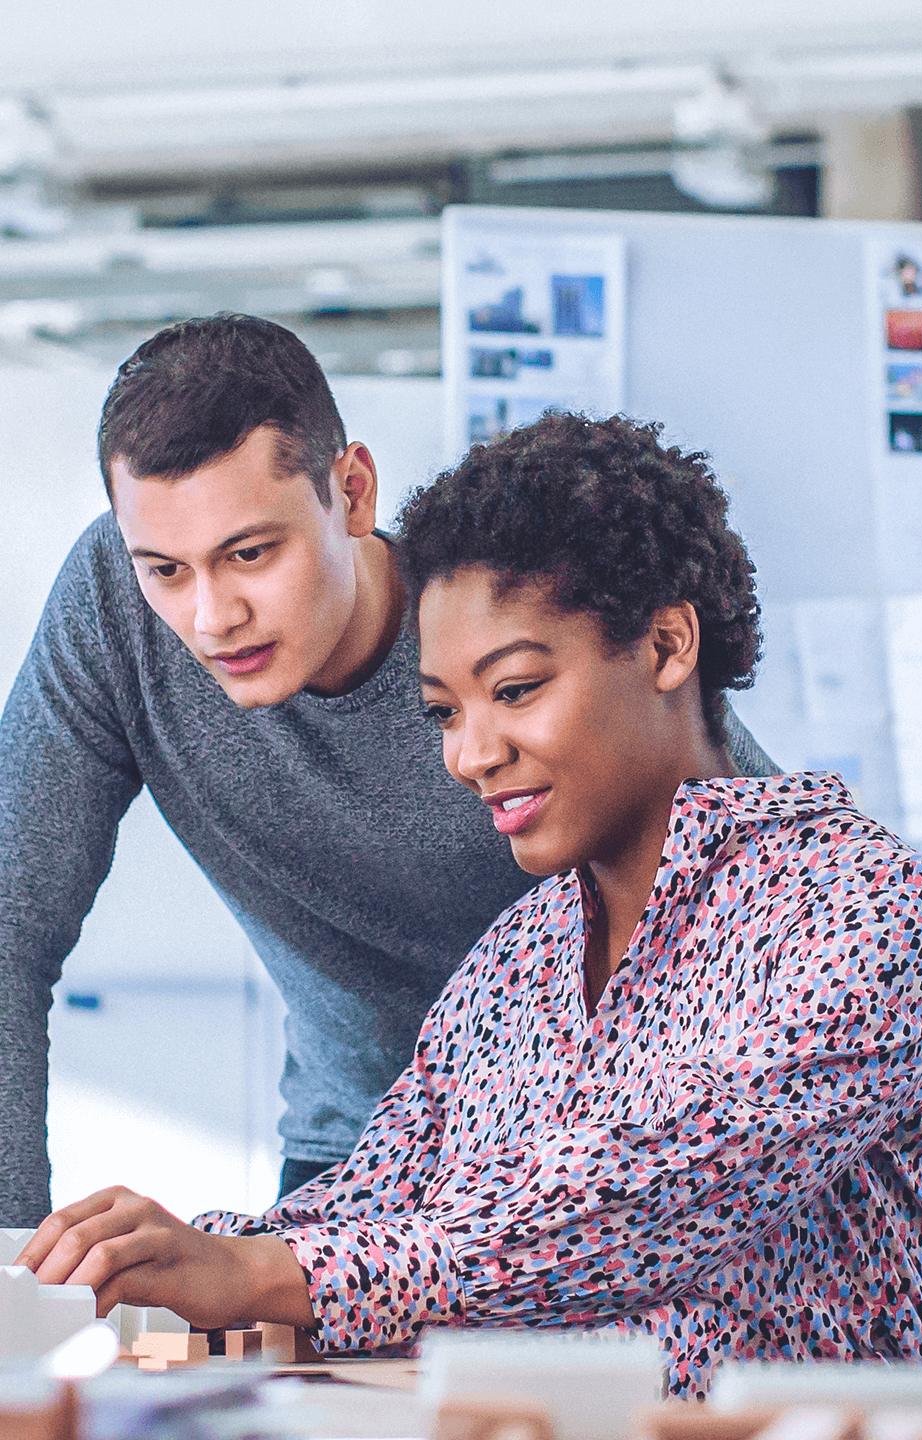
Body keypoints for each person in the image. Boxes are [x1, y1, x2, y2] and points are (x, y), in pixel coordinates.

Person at [18, 414, 922, 1397]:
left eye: (515, 690)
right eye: (445, 710)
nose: (470, 755)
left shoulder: (874, 915)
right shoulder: (520, 958)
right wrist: (151, 1261)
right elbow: (373, 1208)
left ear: (665, 644)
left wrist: (261, 1274)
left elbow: (636, 1209)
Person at [0, 315, 775, 1227]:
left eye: (252, 553)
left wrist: (849, 1186)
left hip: (607, 1151)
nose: (212, 617)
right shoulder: (113, 608)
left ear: (352, 492)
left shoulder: (490, 632)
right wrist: (10, 1282)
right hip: (359, 1156)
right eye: (167, 569)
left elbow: (773, 892)